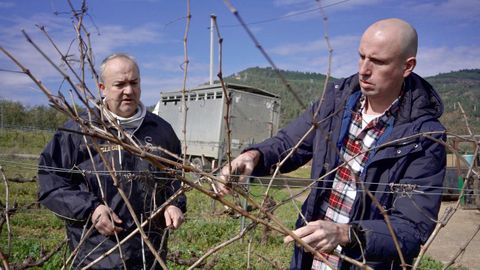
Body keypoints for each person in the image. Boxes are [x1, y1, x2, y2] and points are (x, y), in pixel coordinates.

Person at [218, 18, 446, 269]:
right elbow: (289, 143)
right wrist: (254, 156)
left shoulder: (424, 137)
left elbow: (411, 228)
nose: (364, 70)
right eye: (361, 57)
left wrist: (345, 234)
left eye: (378, 61)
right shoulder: (335, 103)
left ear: (407, 66)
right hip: (310, 257)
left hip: (364, 262)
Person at [38, 53, 186, 269]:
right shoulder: (79, 131)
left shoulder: (162, 131)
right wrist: (91, 209)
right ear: (102, 88)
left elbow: (175, 178)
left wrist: (173, 204)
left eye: (134, 83)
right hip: (96, 256)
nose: (129, 91)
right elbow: (51, 184)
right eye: (120, 84)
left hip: (150, 256)